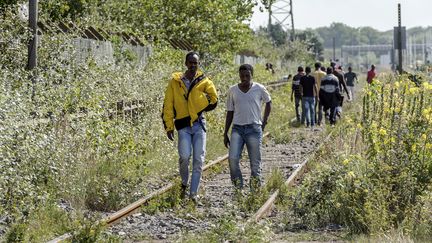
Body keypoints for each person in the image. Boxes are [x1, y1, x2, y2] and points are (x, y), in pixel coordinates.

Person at [162, 52, 218, 202]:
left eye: (196, 63)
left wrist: (199, 104)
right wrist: (169, 126)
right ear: (186, 63)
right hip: (183, 126)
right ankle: (184, 183)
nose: (193, 65)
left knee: (199, 160)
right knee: (184, 157)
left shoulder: (204, 81)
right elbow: (168, 104)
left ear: (198, 64)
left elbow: (214, 98)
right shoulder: (175, 82)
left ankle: (193, 195)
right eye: (191, 62)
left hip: (199, 124)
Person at [224, 64, 272, 191]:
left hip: (254, 129)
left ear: (252, 75)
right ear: (239, 76)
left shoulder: (259, 88)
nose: (244, 78)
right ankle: (238, 187)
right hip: (237, 129)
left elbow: (268, 102)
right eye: (242, 76)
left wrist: (264, 121)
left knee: (255, 162)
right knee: (233, 158)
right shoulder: (233, 90)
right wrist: (225, 133)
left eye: (247, 76)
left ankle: (255, 190)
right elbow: (230, 112)